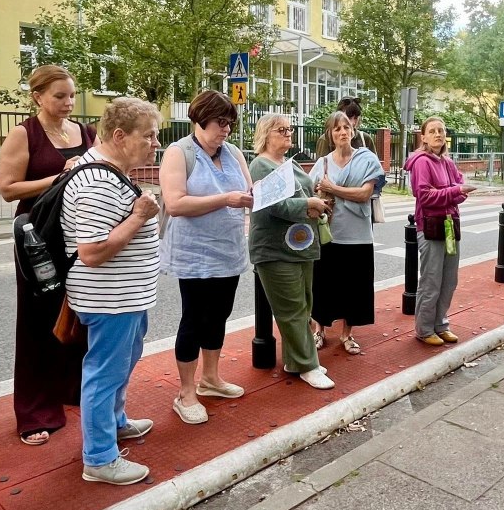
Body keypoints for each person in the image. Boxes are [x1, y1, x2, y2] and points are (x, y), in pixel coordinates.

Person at [60, 97, 161, 485]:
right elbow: (92, 251)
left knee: (121, 362)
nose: (155, 143)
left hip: (124, 296)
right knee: (104, 372)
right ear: (119, 136)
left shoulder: (107, 172)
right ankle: (100, 458)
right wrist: (139, 216)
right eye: (148, 136)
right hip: (110, 298)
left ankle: (115, 422)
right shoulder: (98, 182)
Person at [0, 65, 97, 445]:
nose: (69, 102)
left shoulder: (85, 133)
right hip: (37, 236)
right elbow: (8, 189)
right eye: (60, 96)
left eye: (71, 95)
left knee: (79, 312)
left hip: (78, 233)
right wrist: (58, 177)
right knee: (37, 320)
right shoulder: (23, 134)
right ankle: (35, 410)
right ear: (38, 96)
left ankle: (72, 388)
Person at [160, 91, 254, 425]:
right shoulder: (179, 152)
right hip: (194, 253)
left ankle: (211, 379)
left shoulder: (233, 152)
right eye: (220, 122)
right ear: (200, 119)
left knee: (218, 315)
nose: (226, 129)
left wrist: (263, 193)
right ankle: (186, 392)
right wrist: (225, 199)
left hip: (228, 249)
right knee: (194, 318)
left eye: (230, 123)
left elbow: (248, 191)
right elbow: (175, 203)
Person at [249, 114, 335, 389]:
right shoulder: (260, 165)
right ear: (266, 134)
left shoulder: (290, 162)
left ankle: (295, 360)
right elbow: (273, 205)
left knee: (304, 304)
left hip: (300, 245)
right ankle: (308, 365)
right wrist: (308, 204)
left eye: (290, 129)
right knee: (292, 309)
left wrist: (316, 199)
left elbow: (301, 194)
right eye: (281, 130)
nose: (288, 133)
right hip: (275, 249)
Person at [309, 111, 385, 354]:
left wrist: (332, 188)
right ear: (330, 134)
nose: (343, 132)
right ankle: (319, 330)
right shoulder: (322, 163)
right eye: (337, 128)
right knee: (323, 285)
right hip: (329, 234)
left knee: (354, 287)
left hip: (358, 234)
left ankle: (347, 334)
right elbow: (310, 192)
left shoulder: (367, 159)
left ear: (352, 131)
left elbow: (364, 194)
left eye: (346, 127)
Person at [403, 117, 476, 346]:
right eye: (433, 131)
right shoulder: (421, 162)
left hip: (450, 225)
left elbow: (461, 191)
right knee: (431, 280)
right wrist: (454, 191)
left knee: (449, 279)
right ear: (423, 137)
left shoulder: (447, 162)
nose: (438, 134)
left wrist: (452, 191)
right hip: (430, 226)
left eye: (441, 131)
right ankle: (424, 329)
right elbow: (424, 196)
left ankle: (441, 324)